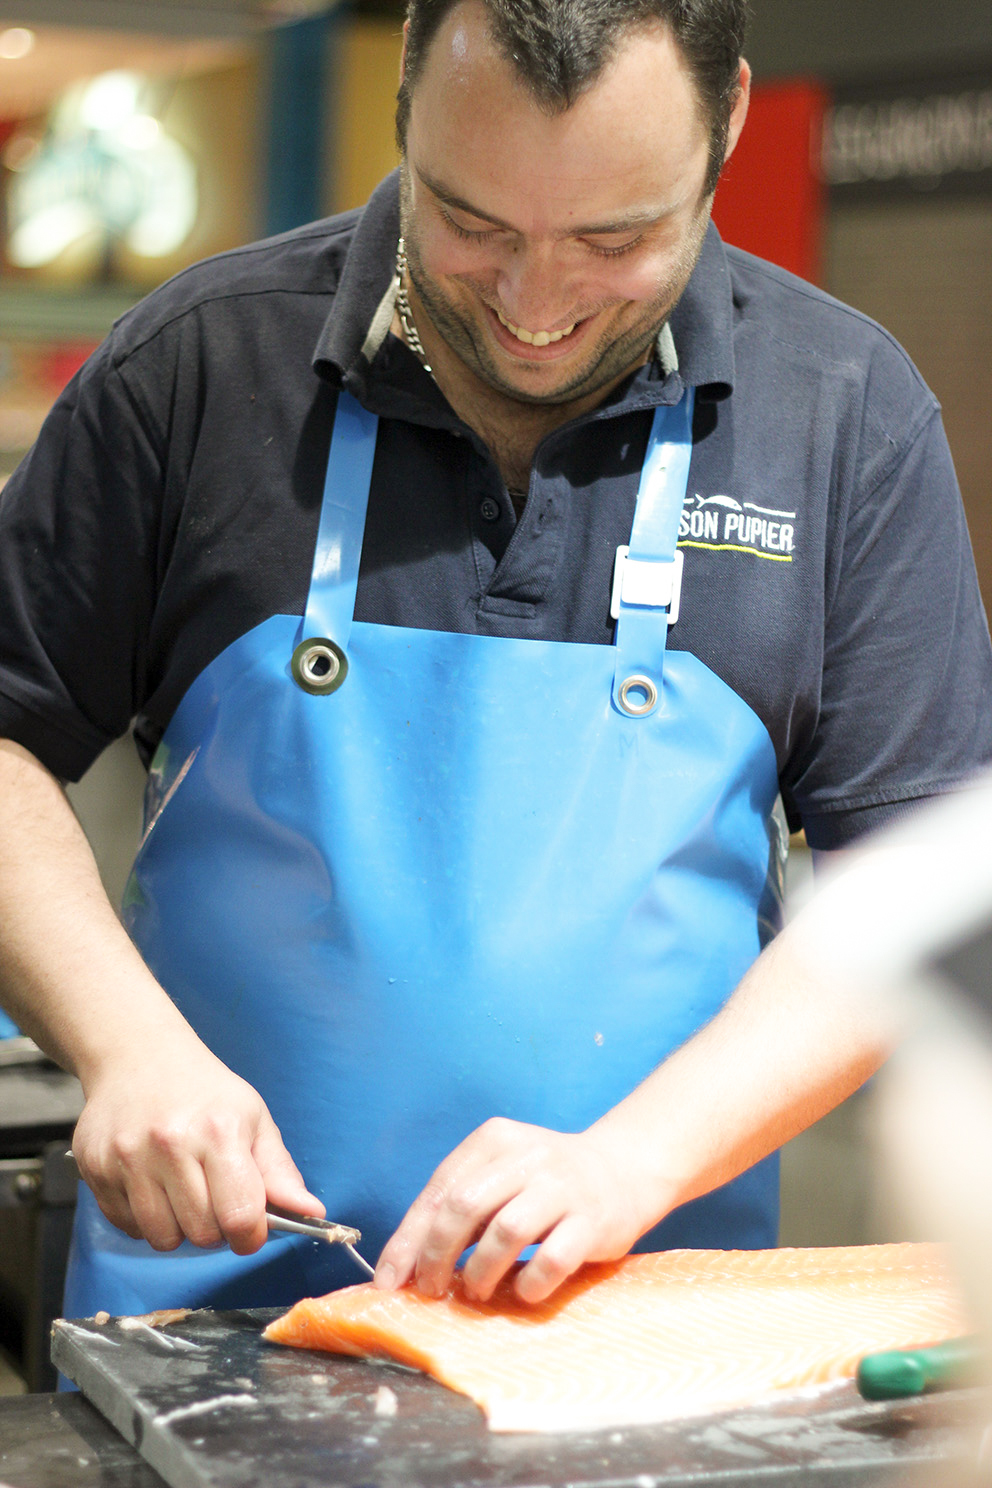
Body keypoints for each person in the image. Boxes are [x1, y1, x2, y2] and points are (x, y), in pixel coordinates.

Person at [0, 0, 990, 1322]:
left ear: (730, 123)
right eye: (471, 224)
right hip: (205, 1305)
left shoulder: (844, 413)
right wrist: (123, 1047)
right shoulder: (198, 366)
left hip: (631, 1315)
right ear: (407, 107)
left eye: (615, 240)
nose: (536, 307)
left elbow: (915, 890)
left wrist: (632, 1161)